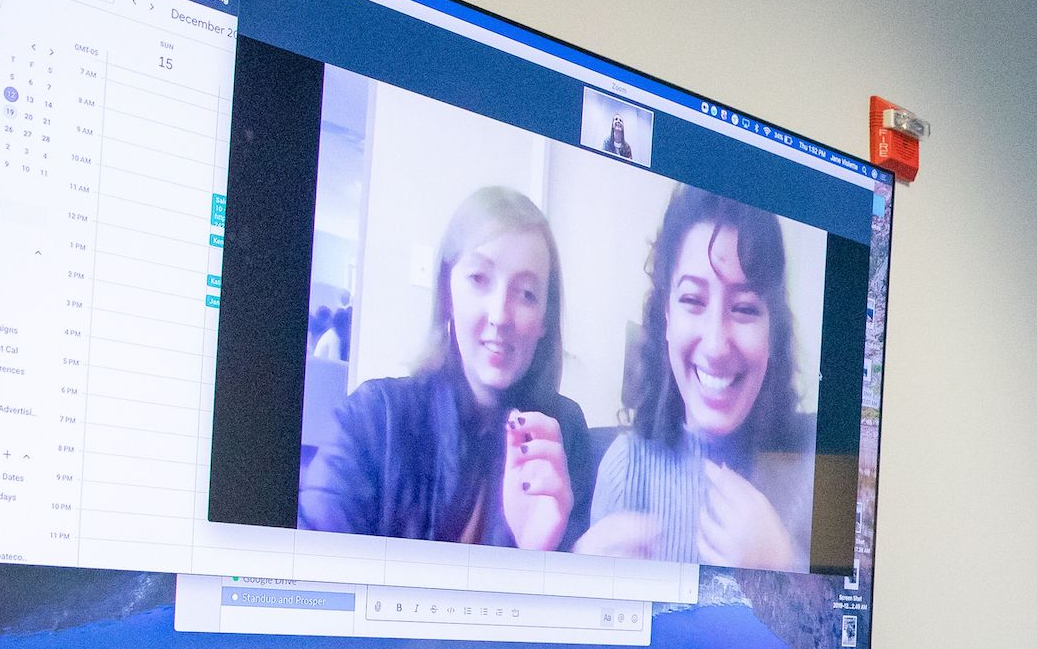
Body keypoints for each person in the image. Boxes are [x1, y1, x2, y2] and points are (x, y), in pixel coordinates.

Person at [298, 186, 592, 550]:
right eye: (479, 279)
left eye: (527, 294)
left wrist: (540, 558)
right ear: (446, 293)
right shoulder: (375, 419)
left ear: (545, 320)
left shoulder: (563, 435)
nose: (501, 315)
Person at [578, 185, 812, 570]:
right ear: (667, 317)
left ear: (773, 331)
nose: (717, 345)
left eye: (744, 308)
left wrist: (783, 567)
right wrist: (578, 575)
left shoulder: (813, 469)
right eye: (692, 301)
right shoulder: (626, 468)